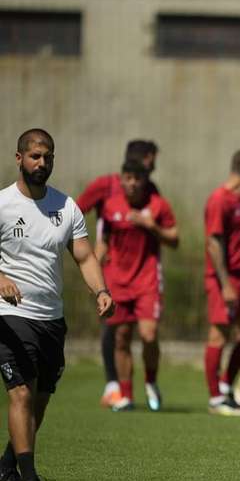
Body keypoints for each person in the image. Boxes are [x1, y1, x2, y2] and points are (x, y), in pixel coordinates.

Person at [0, 129, 115, 481]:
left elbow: (83, 255)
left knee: (41, 399)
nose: (42, 163)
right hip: (10, 316)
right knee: (20, 392)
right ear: (19, 158)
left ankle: (7, 463)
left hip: (52, 318)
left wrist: (101, 289)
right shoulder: (2, 204)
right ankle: (28, 477)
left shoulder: (66, 207)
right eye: (35, 156)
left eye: (48, 157)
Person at [77, 139, 158, 408]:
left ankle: (130, 385)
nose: (153, 166)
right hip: (110, 269)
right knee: (111, 329)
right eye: (152, 160)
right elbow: (75, 213)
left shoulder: (151, 189)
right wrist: (92, 254)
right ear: (144, 158)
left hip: (142, 272)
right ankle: (113, 384)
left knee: (141, 333)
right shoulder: (106, 185)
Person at [101, 158, 178, 412]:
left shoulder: (158, 206)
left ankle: (151, 381)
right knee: (121, 338)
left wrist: (151, 225)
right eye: (128, 178)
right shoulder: (111, 206)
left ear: (146, 181)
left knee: (149, 334)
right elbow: (103, 241)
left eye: (138, 179)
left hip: (147, 281)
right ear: (121, 179)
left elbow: (174, 238)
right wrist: (97, 270)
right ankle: (126, 395)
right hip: (118, 282)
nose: (132, 183)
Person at [203, 149, 240, 416]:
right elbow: (213, 243)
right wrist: (225, 282)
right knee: (219, 335)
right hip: (223, 278)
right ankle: (215, 398)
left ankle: (226, 386)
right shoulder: (220, 200)